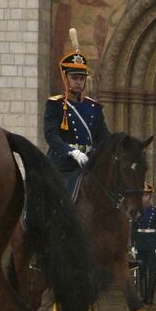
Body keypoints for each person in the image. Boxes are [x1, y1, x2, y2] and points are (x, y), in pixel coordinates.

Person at [43, 29, 109, 190]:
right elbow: (51, 136)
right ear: (66, 78)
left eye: (81, 78)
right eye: (74, 78)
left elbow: (103, 138)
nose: (78, 82)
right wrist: (72, 152)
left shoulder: (93, 107)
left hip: (89, 164)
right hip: (63, 164)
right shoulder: (56, 104)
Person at [132, 183, 156, 305]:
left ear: (150, 196)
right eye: (142, 195)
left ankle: (149, 296)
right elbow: (133, 228)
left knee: (152, 271)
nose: (144, 198)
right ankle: (143, 295)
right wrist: (133, 244)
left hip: (152, 243)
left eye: (146, 195)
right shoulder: (136, 211)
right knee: (142, 270)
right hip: (140, 242)